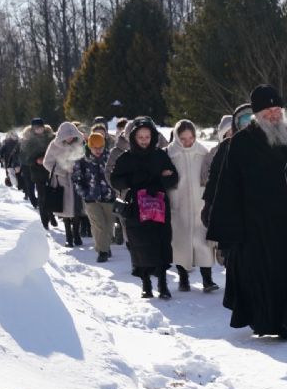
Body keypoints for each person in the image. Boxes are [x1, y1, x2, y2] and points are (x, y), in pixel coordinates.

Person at [207, 86, 287, 337]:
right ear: (257, 114)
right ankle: (265, 322)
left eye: (277, 110)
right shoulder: (240, 143)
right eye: (267, 111)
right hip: (256, 227)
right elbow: (228, 188)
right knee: (262, 276)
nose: (273, 115)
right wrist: (229, 233)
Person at [110, 116, 178, 299]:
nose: (144, 140)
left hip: (159, 206)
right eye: (140, 137)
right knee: (141, 245)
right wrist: (132, 180)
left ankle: (163, 284)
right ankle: (146, 283)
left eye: (147, 137)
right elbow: (115, 180)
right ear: (133, 137)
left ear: (153, 137)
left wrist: (162, 180)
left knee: (161, 243)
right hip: (136, 208)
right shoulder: (126, 158)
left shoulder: (160, 155)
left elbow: (173, 177)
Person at [168, 119, 218, 292]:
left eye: (191, 138)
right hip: (179, 204)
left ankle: (207, 279)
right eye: (183, 138)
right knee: (180, 243)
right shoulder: (170, 154)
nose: (188, 142)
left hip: (199, 204)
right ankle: (183, 278)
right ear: (177, 137)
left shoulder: (203, 153)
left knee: (203, 243)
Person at [201, 103, 252, 230]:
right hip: (230, 207)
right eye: (243, 124)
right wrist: (208, 204)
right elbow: (214, 176)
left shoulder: (270, 146)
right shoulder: (226, 146)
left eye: (251, 123)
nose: (247, 128)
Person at [73, 126, 117, 263]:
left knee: (109, 225)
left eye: (100, 147)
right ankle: (102, 251)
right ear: (89, 146)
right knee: (98, 225)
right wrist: (85, 193)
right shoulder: (82, 159)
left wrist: (116, 190)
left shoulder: (110, 157)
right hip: (91, 198)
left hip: (109, 197)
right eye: (95, 148)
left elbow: (117, 176)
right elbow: (77, 179)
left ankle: (106, 246)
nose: (98, 150)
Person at [42, 122, 87, 247]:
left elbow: (85, 159)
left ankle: (76, 235)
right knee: (65, 209)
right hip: (62, 181)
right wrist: (61, 171)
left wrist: (80, 170)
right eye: (66, 136)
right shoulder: (54, 145)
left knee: (77, 208)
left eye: (71, 135)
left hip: (77, 179)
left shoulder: (81, 143)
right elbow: (47, 162)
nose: (69, 138)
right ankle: (68, 236)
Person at [17, 117, 54, 208]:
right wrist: (35, 160)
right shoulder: (28, 140)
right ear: (33, 128)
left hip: (49, 166)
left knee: (50, 188)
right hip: (34, 168)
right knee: (33, 187)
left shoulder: (50, 137)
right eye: (36, 128)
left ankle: (49, 206)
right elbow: (24, 156)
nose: (39, 129)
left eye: (40, 127)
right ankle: (37, 204)